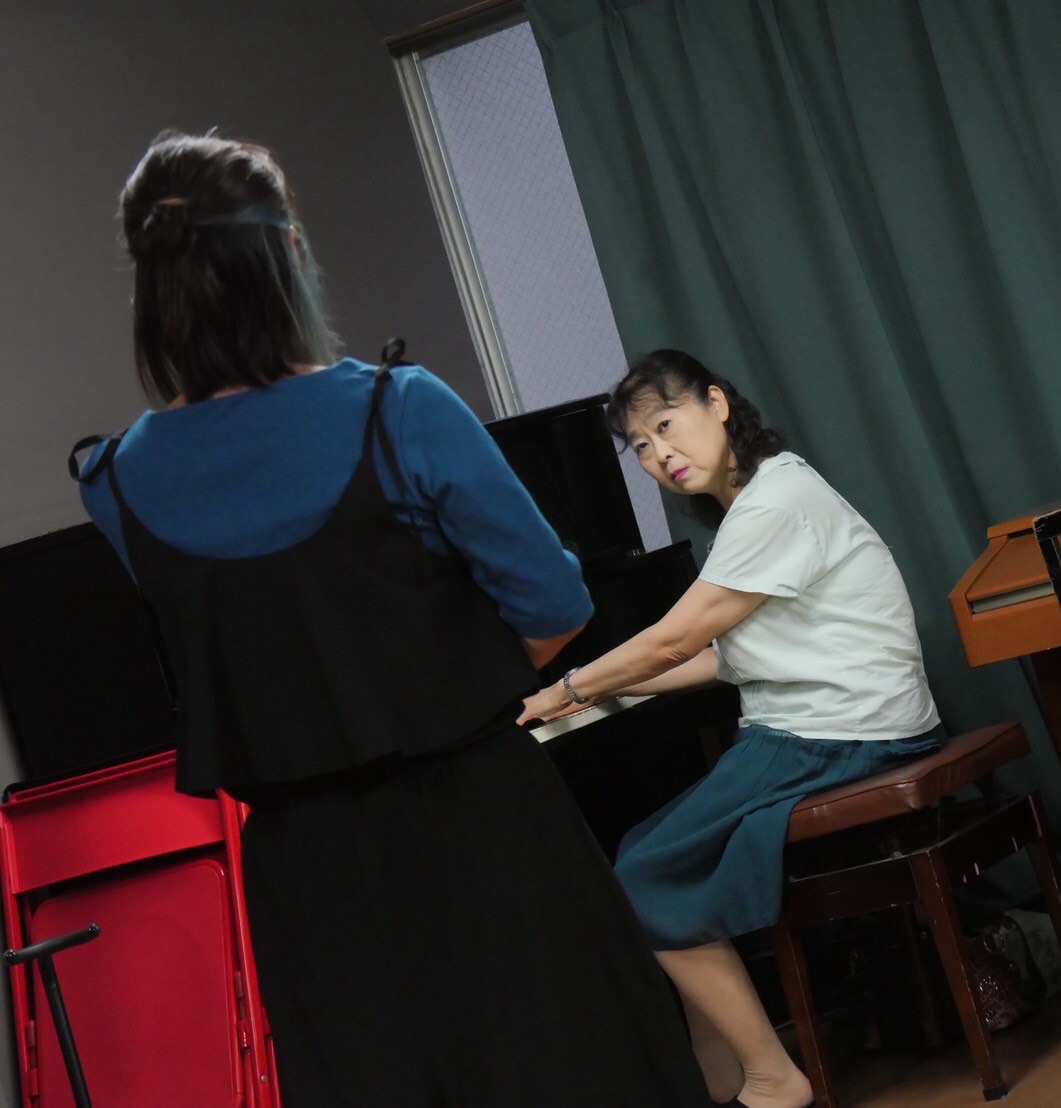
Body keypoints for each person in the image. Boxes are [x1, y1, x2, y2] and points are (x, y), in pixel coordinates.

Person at [71, 132, 709, 1106]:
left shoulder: (114, 481)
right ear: (286, 253)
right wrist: (445, 685)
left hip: (307, 874)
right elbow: (553, 604)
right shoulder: (399, 410)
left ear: (148, 285)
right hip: (485, 826)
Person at [518, 349, 945, 1108]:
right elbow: (723, 657)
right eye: (641, 446)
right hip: (828, 723)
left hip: (843, 731)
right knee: (644, 848)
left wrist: (570, 686)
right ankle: (716, 1077)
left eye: (666, 424)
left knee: (641, 874)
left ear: (716, 403)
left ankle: (772, 1078)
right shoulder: (760, 500)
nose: (659, 454)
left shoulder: (774, 502)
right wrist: (603, 692)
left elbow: (677, 639)